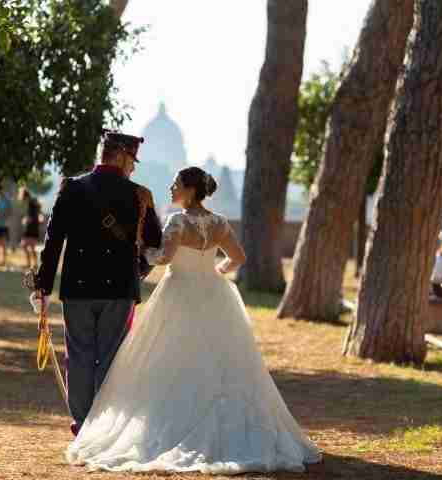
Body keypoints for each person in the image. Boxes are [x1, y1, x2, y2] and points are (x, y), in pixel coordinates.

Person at [65, 166, 321, 474]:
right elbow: (238, 257)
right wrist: (215, 274)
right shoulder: (219, 223)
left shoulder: (178, 221)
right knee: (218, 360)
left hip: (179, 294)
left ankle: (172, 423)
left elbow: (164, 258)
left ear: (189, 189)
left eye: (175, 184)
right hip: (214, 295)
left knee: (169, 358)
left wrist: (141, 250)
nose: (171, 189)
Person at [34, 131, 162, 438]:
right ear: (120, 156)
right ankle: (104, 427)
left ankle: (82, 426)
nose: (133, 168)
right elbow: (156, 243)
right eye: (132, 160)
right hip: (118, 289)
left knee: (78, 356)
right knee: (111, 357)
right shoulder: (139, 195)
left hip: (77, 287)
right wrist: (139, 267)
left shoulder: (71, 189)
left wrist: (43, 286)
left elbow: (53, 243)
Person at [18, 187, 43, 269]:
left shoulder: (31, 203)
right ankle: (31, 263)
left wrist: (26, 219)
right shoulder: (31, 202)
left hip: (31, 227)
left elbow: (33, 215)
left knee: (27, 245)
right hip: (32, 227)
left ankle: (33, 263)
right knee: (28, 246)